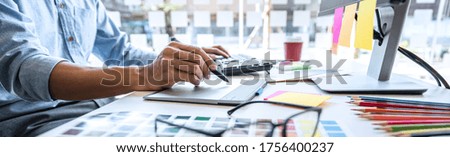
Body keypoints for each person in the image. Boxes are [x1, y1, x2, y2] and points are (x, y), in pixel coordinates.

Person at [0, 0, 230, 136]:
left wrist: (184, 61)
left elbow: (122, 53)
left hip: (102, 109)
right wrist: (147, 75)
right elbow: (27, 69)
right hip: (37, 120)